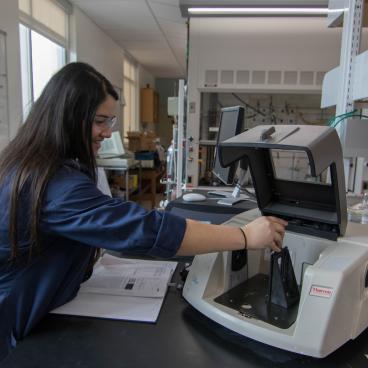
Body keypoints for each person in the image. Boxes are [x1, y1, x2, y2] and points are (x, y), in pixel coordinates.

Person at [0, 62, 287, 360]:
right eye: (100, 121)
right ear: (69, 116)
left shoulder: (35, 164)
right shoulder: (54, 184)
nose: (106, 132)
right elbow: (143, 229)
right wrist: (243, 235)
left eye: (110, 121)